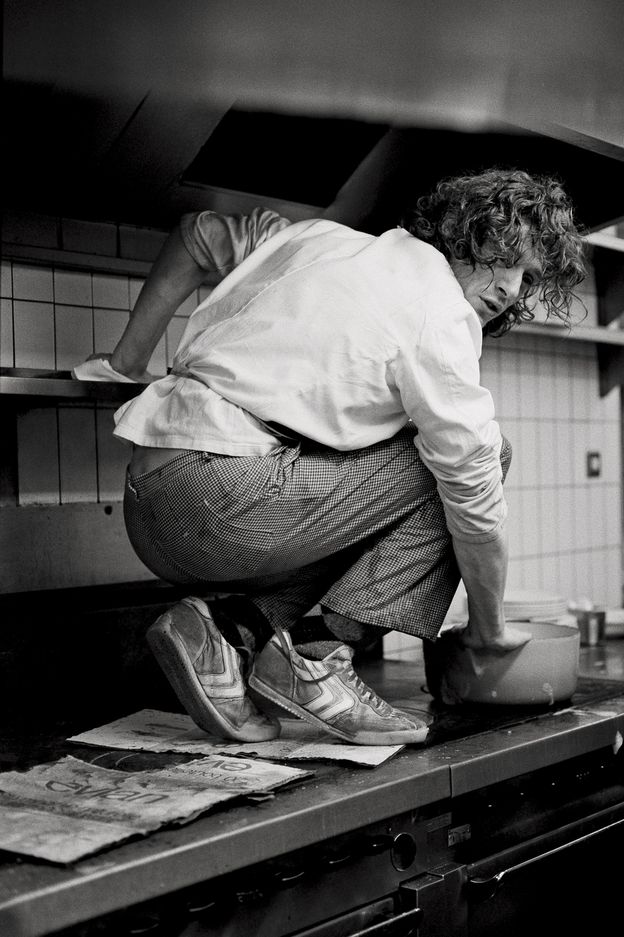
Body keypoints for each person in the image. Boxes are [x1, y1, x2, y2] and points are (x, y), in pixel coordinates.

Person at [94, 166, 587, 747]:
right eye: (503, 257)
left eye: (527, 278)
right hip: (217, 504)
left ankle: (229, 631)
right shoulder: (438, 312)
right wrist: (489, 629)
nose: (511, 289)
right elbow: (476, 504)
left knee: (396, 474)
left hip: (150, 506)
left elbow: (197, 234)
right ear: (458, 228)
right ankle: (317, 660)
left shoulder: (317, 239)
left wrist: (127, 362)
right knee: (476, 460)